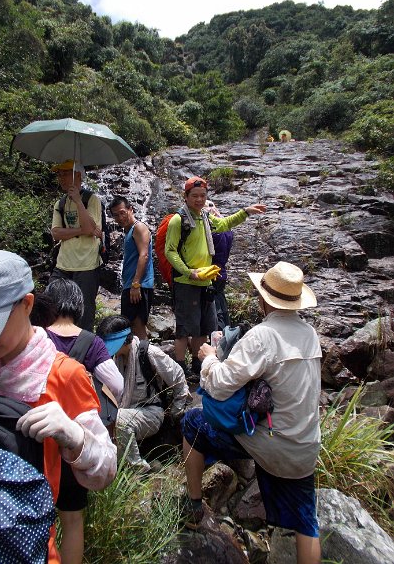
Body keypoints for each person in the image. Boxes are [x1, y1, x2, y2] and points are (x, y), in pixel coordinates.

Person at [0, 250, 117, 564]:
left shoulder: (66, 375)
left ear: (27, 303)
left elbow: (103, 473)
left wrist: (75, 436)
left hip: (28, 549)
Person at [181, 261, 322, 564]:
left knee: (192, 421)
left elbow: (218, 386)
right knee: (306, 522)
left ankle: (193, 507)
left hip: (272, 443)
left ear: (263, 299)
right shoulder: (309, 333)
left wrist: (207, 358)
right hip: (306, 446)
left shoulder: (262, 335)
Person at [42, 278, 124, 564]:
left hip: (38, 438)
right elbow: (117, 384)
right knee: (73, 519)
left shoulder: (36, 337)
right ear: (78, 306)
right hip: (76, 439)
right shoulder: (92, 342)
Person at [164, 176, 266, 380]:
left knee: (203, 326)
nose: (199, 200)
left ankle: (197, 364)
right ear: (185, 197)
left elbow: (225, 223)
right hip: (186, 282)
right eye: (195, 196)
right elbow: (170, 251)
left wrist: (245, 212)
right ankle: (180, 367)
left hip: (206, 281)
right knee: (184, 328)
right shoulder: (178, 220)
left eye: (203, 196)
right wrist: (188, 271)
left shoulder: (206, 218)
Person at [97, 314, 190, 474]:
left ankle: (137, 469)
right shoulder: (114, 358)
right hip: (126, 409)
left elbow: (178, 376)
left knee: (117, 419)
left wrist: (177, 409)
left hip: (151, 412)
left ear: (124, 340)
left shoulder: (149, 353)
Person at [50, 160, 103, 332]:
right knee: (52, 304)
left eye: (65, 174)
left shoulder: (91, 199)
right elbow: (56, 233)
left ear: (78, 176)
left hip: (87, 264)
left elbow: (92, 228)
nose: (61, 178)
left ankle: (83, 352)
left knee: (85, 312)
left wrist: (79, 201)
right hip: (63, 263)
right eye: (59, 174)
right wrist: (81, 230)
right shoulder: (60, 203)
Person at [108, 196, 154, 339]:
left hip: (138, 286)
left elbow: (144, 255)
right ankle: (138, 360)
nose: (120, 217)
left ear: (131, 209)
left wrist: (136, 284)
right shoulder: (129, 232)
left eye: (122, 212)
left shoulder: (139, 227)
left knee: (137, 327)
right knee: (131, 328)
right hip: (131, 286)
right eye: (116, 215)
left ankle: (144, 360)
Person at [203, 200, 233, 331]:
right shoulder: (227, 229)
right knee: (221, 306)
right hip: (221, 273)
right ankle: (225, 334)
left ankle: (216, 337)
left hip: (211, 273)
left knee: (214, 311)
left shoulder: (212, 230)